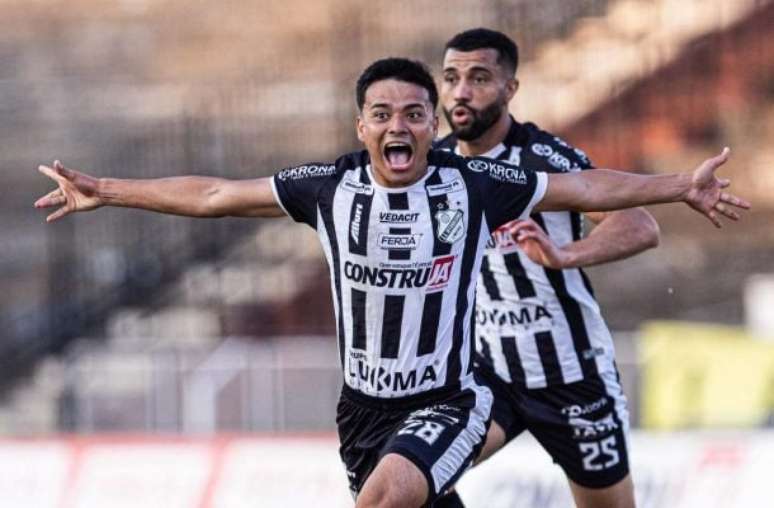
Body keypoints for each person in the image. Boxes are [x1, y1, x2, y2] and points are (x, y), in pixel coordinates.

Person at [35, 57, 747, 508]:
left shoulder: (475, 183)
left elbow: (583, 186)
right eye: (382, 115)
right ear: (361, 127)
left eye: (413, 113)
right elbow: (218, 194)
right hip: (362, 412)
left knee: (388, 498)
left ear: (432, 125)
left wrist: (679, 184)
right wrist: (109, 190)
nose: (397, 126)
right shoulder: (327, 188)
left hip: (451, 400)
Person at [434, 28, 663, 508]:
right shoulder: (437, 167)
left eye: (479, 78)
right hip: (488, 374)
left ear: (510, 88)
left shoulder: (542, 157)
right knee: (413, 479)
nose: (461, 92)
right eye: (451, 78)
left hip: (570, 374)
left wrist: (565, 256)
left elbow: (639, 225)